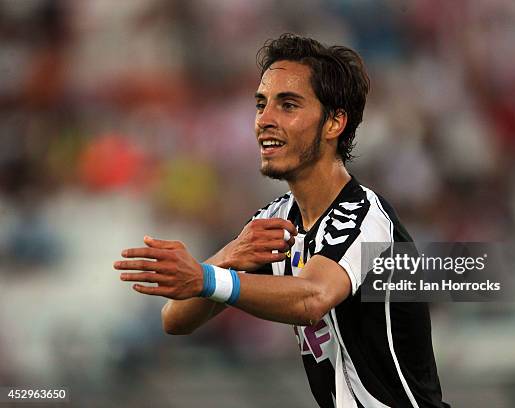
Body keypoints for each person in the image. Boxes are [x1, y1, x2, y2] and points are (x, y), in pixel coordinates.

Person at [114, 33, 450, 408]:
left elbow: (313, 298)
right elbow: (175, 319)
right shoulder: (276, 219)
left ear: (334, 122)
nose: (264, 120)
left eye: (287, 105)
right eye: (261, 104)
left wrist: (205, 277)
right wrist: (226, 257)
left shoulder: (363, 215)